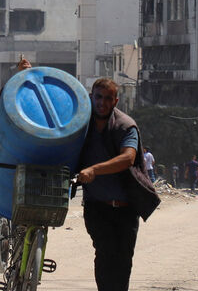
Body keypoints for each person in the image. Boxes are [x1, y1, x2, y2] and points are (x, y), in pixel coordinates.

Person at [75, 77, 160, 291]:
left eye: (107, 98)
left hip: (125, 209)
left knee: (123, 261)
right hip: (97, 207)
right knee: (105, 254)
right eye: (98, 97)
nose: (102, 102)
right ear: (91, 97)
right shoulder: (81, 123)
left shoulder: (125, 125)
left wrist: (94, 169)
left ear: (115, 101)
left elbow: (128, 158)